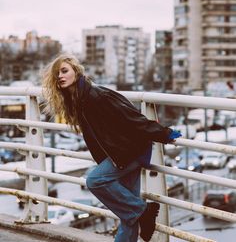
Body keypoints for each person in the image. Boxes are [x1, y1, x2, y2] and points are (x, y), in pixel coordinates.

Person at [42, 54, 181, 242]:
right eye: (57, 74)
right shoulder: (79, 99)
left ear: (76, 71)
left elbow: (130, 116)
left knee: (94, 180)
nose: (60, 76)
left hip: (130, 152)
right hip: (122, 153)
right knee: (128, 218)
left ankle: (144, 211)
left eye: (64, 70)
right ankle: (141, 213)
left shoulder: (96, 96)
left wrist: (164, 133)